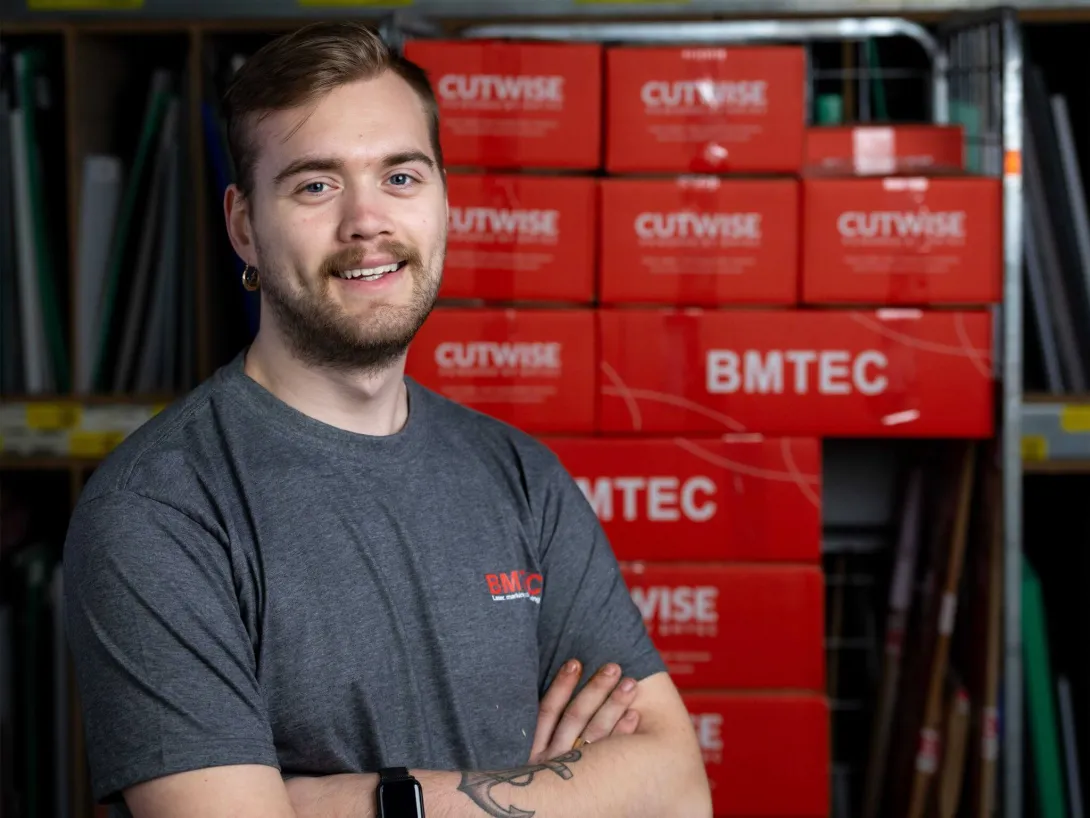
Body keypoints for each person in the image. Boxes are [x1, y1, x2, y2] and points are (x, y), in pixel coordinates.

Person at [63, 20, 712, 818]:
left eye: (400, 177)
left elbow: (676, 788)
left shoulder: (520, 476)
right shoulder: (160, 509)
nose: (366, 222)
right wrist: (552, 794)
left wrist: (362, 799)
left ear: (443, 200)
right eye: (316, 186)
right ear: (244, 228)